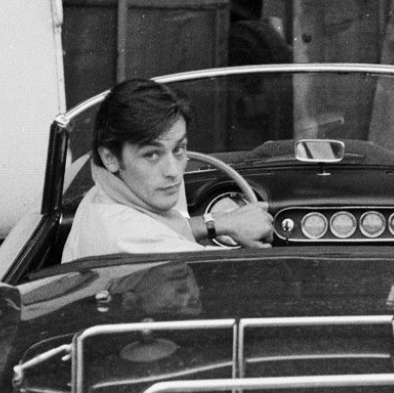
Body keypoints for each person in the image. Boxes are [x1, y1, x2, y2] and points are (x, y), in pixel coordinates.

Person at [62, 78, 273, 262]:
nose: (173, 171)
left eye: (178, 149)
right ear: (110, 158)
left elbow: (158, 227)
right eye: (151, 154)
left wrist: (222, 222)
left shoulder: (103, 192)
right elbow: (226, 276)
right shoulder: (128, 238)